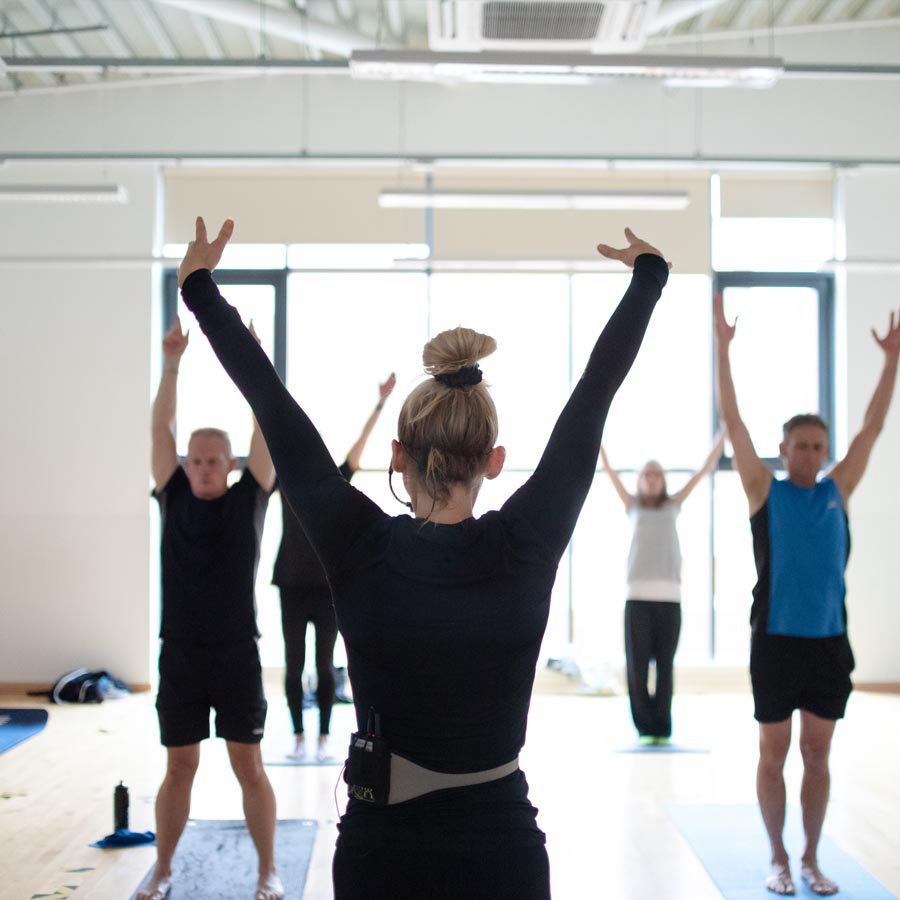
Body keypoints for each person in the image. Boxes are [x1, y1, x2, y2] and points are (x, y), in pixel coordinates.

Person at [177, 217, 670, 900]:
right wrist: (649, 277)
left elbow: (272, 403)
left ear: (397, 455)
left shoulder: (356, 543)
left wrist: (200, 289)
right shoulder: (526, 544)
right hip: (502, 850)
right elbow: (595, 394)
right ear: (495, 462)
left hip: (383, 850)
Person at [714, 293, 900, 897]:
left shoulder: (837, 490)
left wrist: (891, 360)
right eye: (802, 445)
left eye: (821, 446)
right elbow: (734, 425)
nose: (813, 454)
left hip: (827, 645)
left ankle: (812, 858)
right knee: (775, 755)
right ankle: (777, 860)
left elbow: (873, 427)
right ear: (785, 448)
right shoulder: (763, 492)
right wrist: (722, 349)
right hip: (774, 642)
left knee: (817, 757)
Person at [144, 316, 283, 900]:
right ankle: (163, 867)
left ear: (228, 464)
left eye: (212, 460)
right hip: (179, 651)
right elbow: (160, 427)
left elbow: (268, 424)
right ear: (185, 464)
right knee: (180, 768)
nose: (202, 467)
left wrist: (254, 358)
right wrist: (172, 361)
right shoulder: (171, 494)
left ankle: (266, 871)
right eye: (194, 459)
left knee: (248, 765)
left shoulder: (251, 496)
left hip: (234, 653)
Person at [273, 373, 396, 762]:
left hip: (326, 585)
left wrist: (379, 404)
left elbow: (358, 449)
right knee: (294, 667)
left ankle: (324, 736)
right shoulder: (285, 480)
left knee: (325, 666)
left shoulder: (333, 482)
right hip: (291, 583)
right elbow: (267, 434)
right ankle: (296, 735)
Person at [599, 434, 724, 744]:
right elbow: (609, 470)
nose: (652, 479)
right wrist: (597, 437)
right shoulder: (632, 505)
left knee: (665, 667)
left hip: (670, 599)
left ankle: (662, 726)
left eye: (656, 475)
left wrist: (724, 436)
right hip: (637, 598)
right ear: (640, 481)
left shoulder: (673, 505)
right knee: (638, 668)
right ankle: (644, 726)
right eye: (646, 474)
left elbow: (703, 472)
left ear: (663, 481)